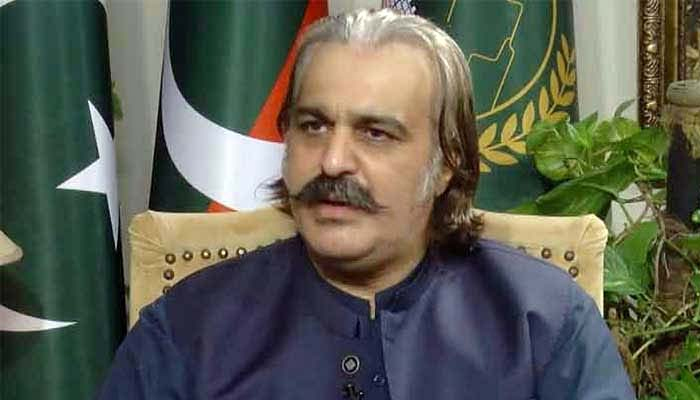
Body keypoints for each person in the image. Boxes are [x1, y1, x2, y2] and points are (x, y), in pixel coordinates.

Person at [96, 9, 635, 399]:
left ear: (446, 162)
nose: (333, 162)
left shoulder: (543, 323)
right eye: (313, 126)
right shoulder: (188, 331)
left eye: (376, 133)